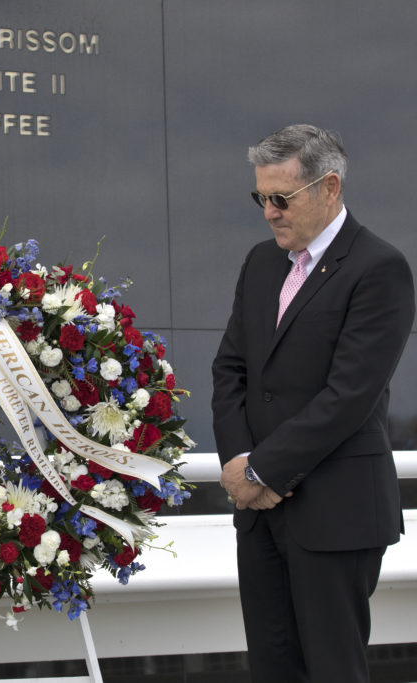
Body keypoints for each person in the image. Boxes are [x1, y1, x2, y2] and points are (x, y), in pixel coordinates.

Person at [212, 124, 414, 682]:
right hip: (258, 512)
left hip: (336, 514)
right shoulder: (260, 263)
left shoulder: (379, 269)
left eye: (282, 198)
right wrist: (238, 467)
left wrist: (263, 467)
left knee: (332, 670)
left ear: (329, 188)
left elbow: (349, 396)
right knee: (273, 669)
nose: (270, 212)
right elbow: (231, 370)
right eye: (261, 198)